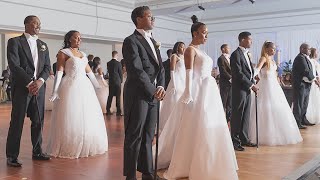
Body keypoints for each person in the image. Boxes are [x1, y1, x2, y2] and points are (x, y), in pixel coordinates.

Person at [163, 15, 238, 180]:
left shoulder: (201, 51)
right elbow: (189, 73)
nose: (206, 36)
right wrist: (188, 92)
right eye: (204, 33)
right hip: (198, 90)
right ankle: (193, 161)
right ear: (195, 33)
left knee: (210, 122)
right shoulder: (190, 50)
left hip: (209, 90)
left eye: (207, 33)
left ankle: (212, 158)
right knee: (198, 123)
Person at [46, 30, 108, 158]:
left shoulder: (82, 54)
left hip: (84, 87)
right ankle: (70, 144)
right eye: (76, 37)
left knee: (86, 115)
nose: (79, 40)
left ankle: (85, 142)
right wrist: (55, 90)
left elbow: (89, 72)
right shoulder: (64, 53)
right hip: (70, 86)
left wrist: (97, 86)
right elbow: (59, 72)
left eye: (80, 38)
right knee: (71, 115)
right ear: (69, 39)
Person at [122, 6, 165, 180]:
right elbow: (136, 70)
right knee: (134, 135)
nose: (153, 19)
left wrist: (161, 87)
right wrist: (153, 89)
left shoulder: (153, 40)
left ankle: (147, 173)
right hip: (138, 94)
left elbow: (161, 68)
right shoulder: (131, 41)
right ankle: (130, 175)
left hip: (154, 95)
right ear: (139, 19)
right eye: (149, 16)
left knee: (148, 135)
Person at [6, 15, 51, 167]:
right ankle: (12, 156)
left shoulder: (43, 45)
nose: (38, 26)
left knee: (38, 122)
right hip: (22, 89)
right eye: (35, 23)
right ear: (26, 24)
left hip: (39, 89)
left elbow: (47, 67)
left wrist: (40, 81)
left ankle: (37, 151)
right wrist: (30, 82)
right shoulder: (14, 42)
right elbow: (14, 65)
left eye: (40, 23)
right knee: (17, 122)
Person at [248, 41, 302, 145]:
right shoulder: (263, 58)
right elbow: (256, 70)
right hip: (265, 86)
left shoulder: (272, 60)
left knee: (277, 108)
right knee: (265, 108)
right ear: (266, 48)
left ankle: (277, 133)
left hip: (274, 87)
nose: (274, 51)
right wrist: (250, 78)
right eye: (272, 48)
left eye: (274, 49)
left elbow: (274, 74)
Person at [230, 31, 258, 151]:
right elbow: (238, 74)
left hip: (247, 88)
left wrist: (253, 77)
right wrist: (251, 85)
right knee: (238, 115)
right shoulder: (235, 54)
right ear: (242, 40)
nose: (251, 41)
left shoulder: (247, 54)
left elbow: (248, 71)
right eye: (249, 39)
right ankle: (235, 142)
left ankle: (244, 139)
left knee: (246, 114)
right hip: (239, 89)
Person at [158, 41, 185, 131]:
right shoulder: (174, 56)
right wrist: (174, 83)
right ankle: (171, 124)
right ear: (177, 48)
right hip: (176, 81)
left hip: (183, 81)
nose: (183, 48)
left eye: (184, 47)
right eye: (181, 47)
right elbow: (172, 71)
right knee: (174, 101)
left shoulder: (184, 58)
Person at [292, 43, 320, 129]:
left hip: (306, 84)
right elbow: (306, 70)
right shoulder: (300, 58)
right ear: (302, 49)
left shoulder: (305, 57)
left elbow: (310, 70)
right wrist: (315, 80)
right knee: (299, 104)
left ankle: (303, 119)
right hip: (301, 84)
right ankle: (297, 122)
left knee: (305, 103)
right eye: (308, 49)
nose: (309, 51)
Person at [217, 44, 232, 122]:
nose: (229, 49)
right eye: (227, 47)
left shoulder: (230, 58)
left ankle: (228, 119)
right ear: (223, 49)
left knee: (230, 102)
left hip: (231, 84)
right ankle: (221, 120)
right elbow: (223, 71)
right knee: (224, 102)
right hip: (225, 83)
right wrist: (230, 78)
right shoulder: (221, 58)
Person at [306, 48, 320, 124]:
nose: (317, 53)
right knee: (312, 99)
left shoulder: (315, 61)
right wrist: (317, 81)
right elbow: (315, 73)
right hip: (314, 82)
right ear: (314, 53)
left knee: (316, 99)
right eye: (316, 52)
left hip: (316, 81)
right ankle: (309, 116)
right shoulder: (312, 61)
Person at [106, 51, 123, 116]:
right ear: (116, 55)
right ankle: (118, 111)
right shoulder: (118, 64)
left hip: (111, 81)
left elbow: (109, 72)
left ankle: (108, 110)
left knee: (110, 96)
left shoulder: (108, 63)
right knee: (118, 97)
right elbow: (120, 73)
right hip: (117, 82)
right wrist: (121, 80)